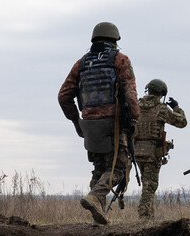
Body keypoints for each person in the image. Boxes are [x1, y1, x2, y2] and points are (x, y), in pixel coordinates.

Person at [57, 22, 139, 225]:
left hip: (90, 125)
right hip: (114, 124)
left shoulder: (81, 63)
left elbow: (64, 96)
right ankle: (94, 197)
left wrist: (77, 121)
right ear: (114, 40)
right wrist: (135, 117)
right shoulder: (120, 60)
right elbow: (130, 93)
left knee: (100, 168)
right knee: (118, 168)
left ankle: (98, 215)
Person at [132, 78, 187, 219]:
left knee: (147, 183)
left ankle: (149, 218)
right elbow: (182, 122)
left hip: (137, 151)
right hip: (152, 153)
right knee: (150, 186)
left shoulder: (136, 106)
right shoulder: (161, 109)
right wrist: (176, 107)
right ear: (161, 93)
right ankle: (144, 216)